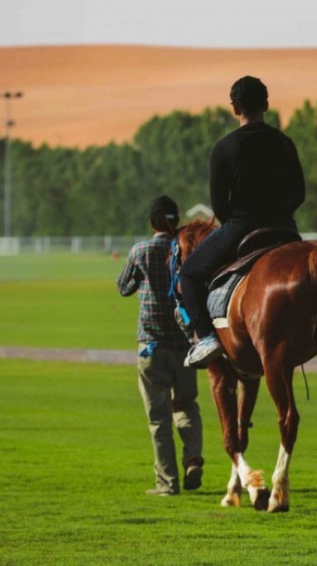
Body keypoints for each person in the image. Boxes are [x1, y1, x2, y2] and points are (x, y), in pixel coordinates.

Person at [182, 76, 306, 368]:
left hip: (241, 228)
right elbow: (299, 192)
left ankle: (207, 338)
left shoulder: (224, 148)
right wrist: (282, 215)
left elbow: (218, 205)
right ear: (265, 104)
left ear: (235, 108)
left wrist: (237, 223)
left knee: (188, 274)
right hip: (285, 229)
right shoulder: (284, 142)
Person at [117, 195, 204, 496]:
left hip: (150, 345)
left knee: (158, 417)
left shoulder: (140, 251)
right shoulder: (184, 250)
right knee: (187, 404)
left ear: (152, 222)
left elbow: (123, 287)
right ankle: (193, 458)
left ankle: (167, 483)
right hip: (183, 344)